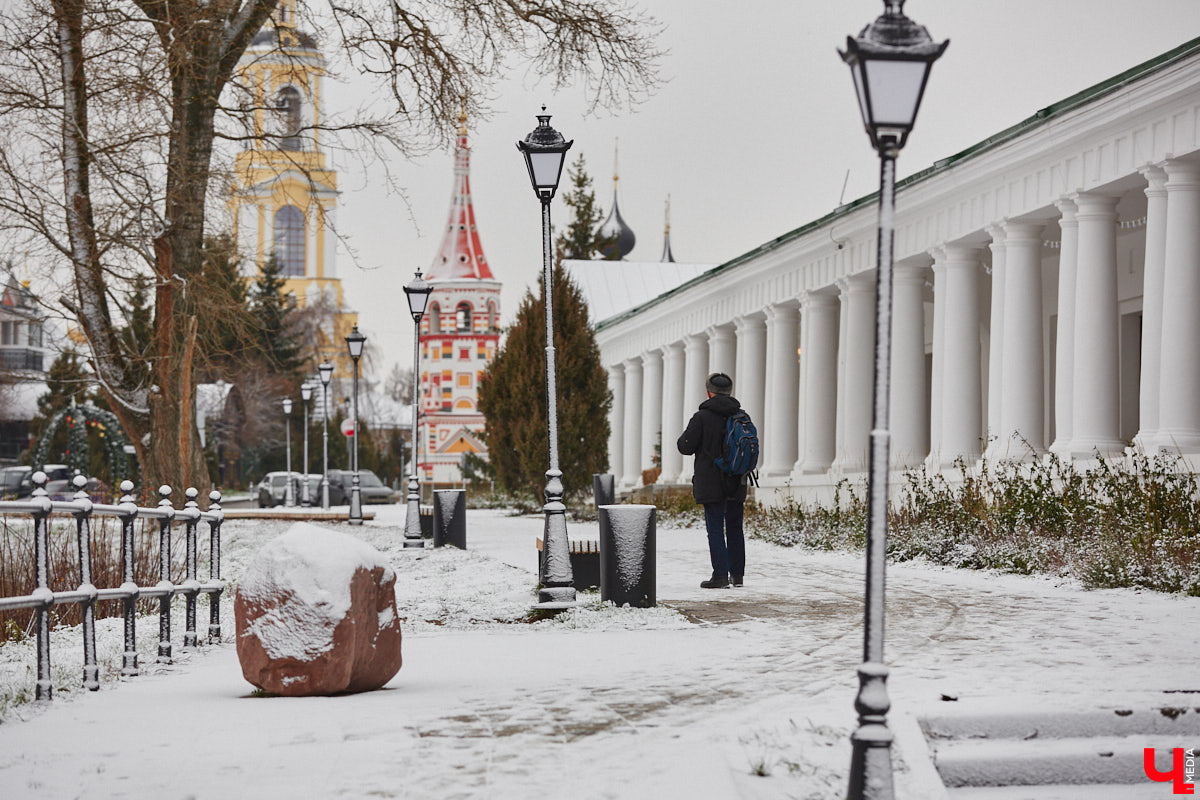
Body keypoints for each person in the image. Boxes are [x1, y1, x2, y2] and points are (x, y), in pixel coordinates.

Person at [676, 372, 749, 589]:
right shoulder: (741, 416)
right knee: (735, 526)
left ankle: (720, 576)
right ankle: (737, 576)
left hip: (711, 480)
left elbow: (684, 446)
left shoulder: (702, 417)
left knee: (715, 527)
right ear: (729, 392)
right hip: (737, 478)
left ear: (709, 392)